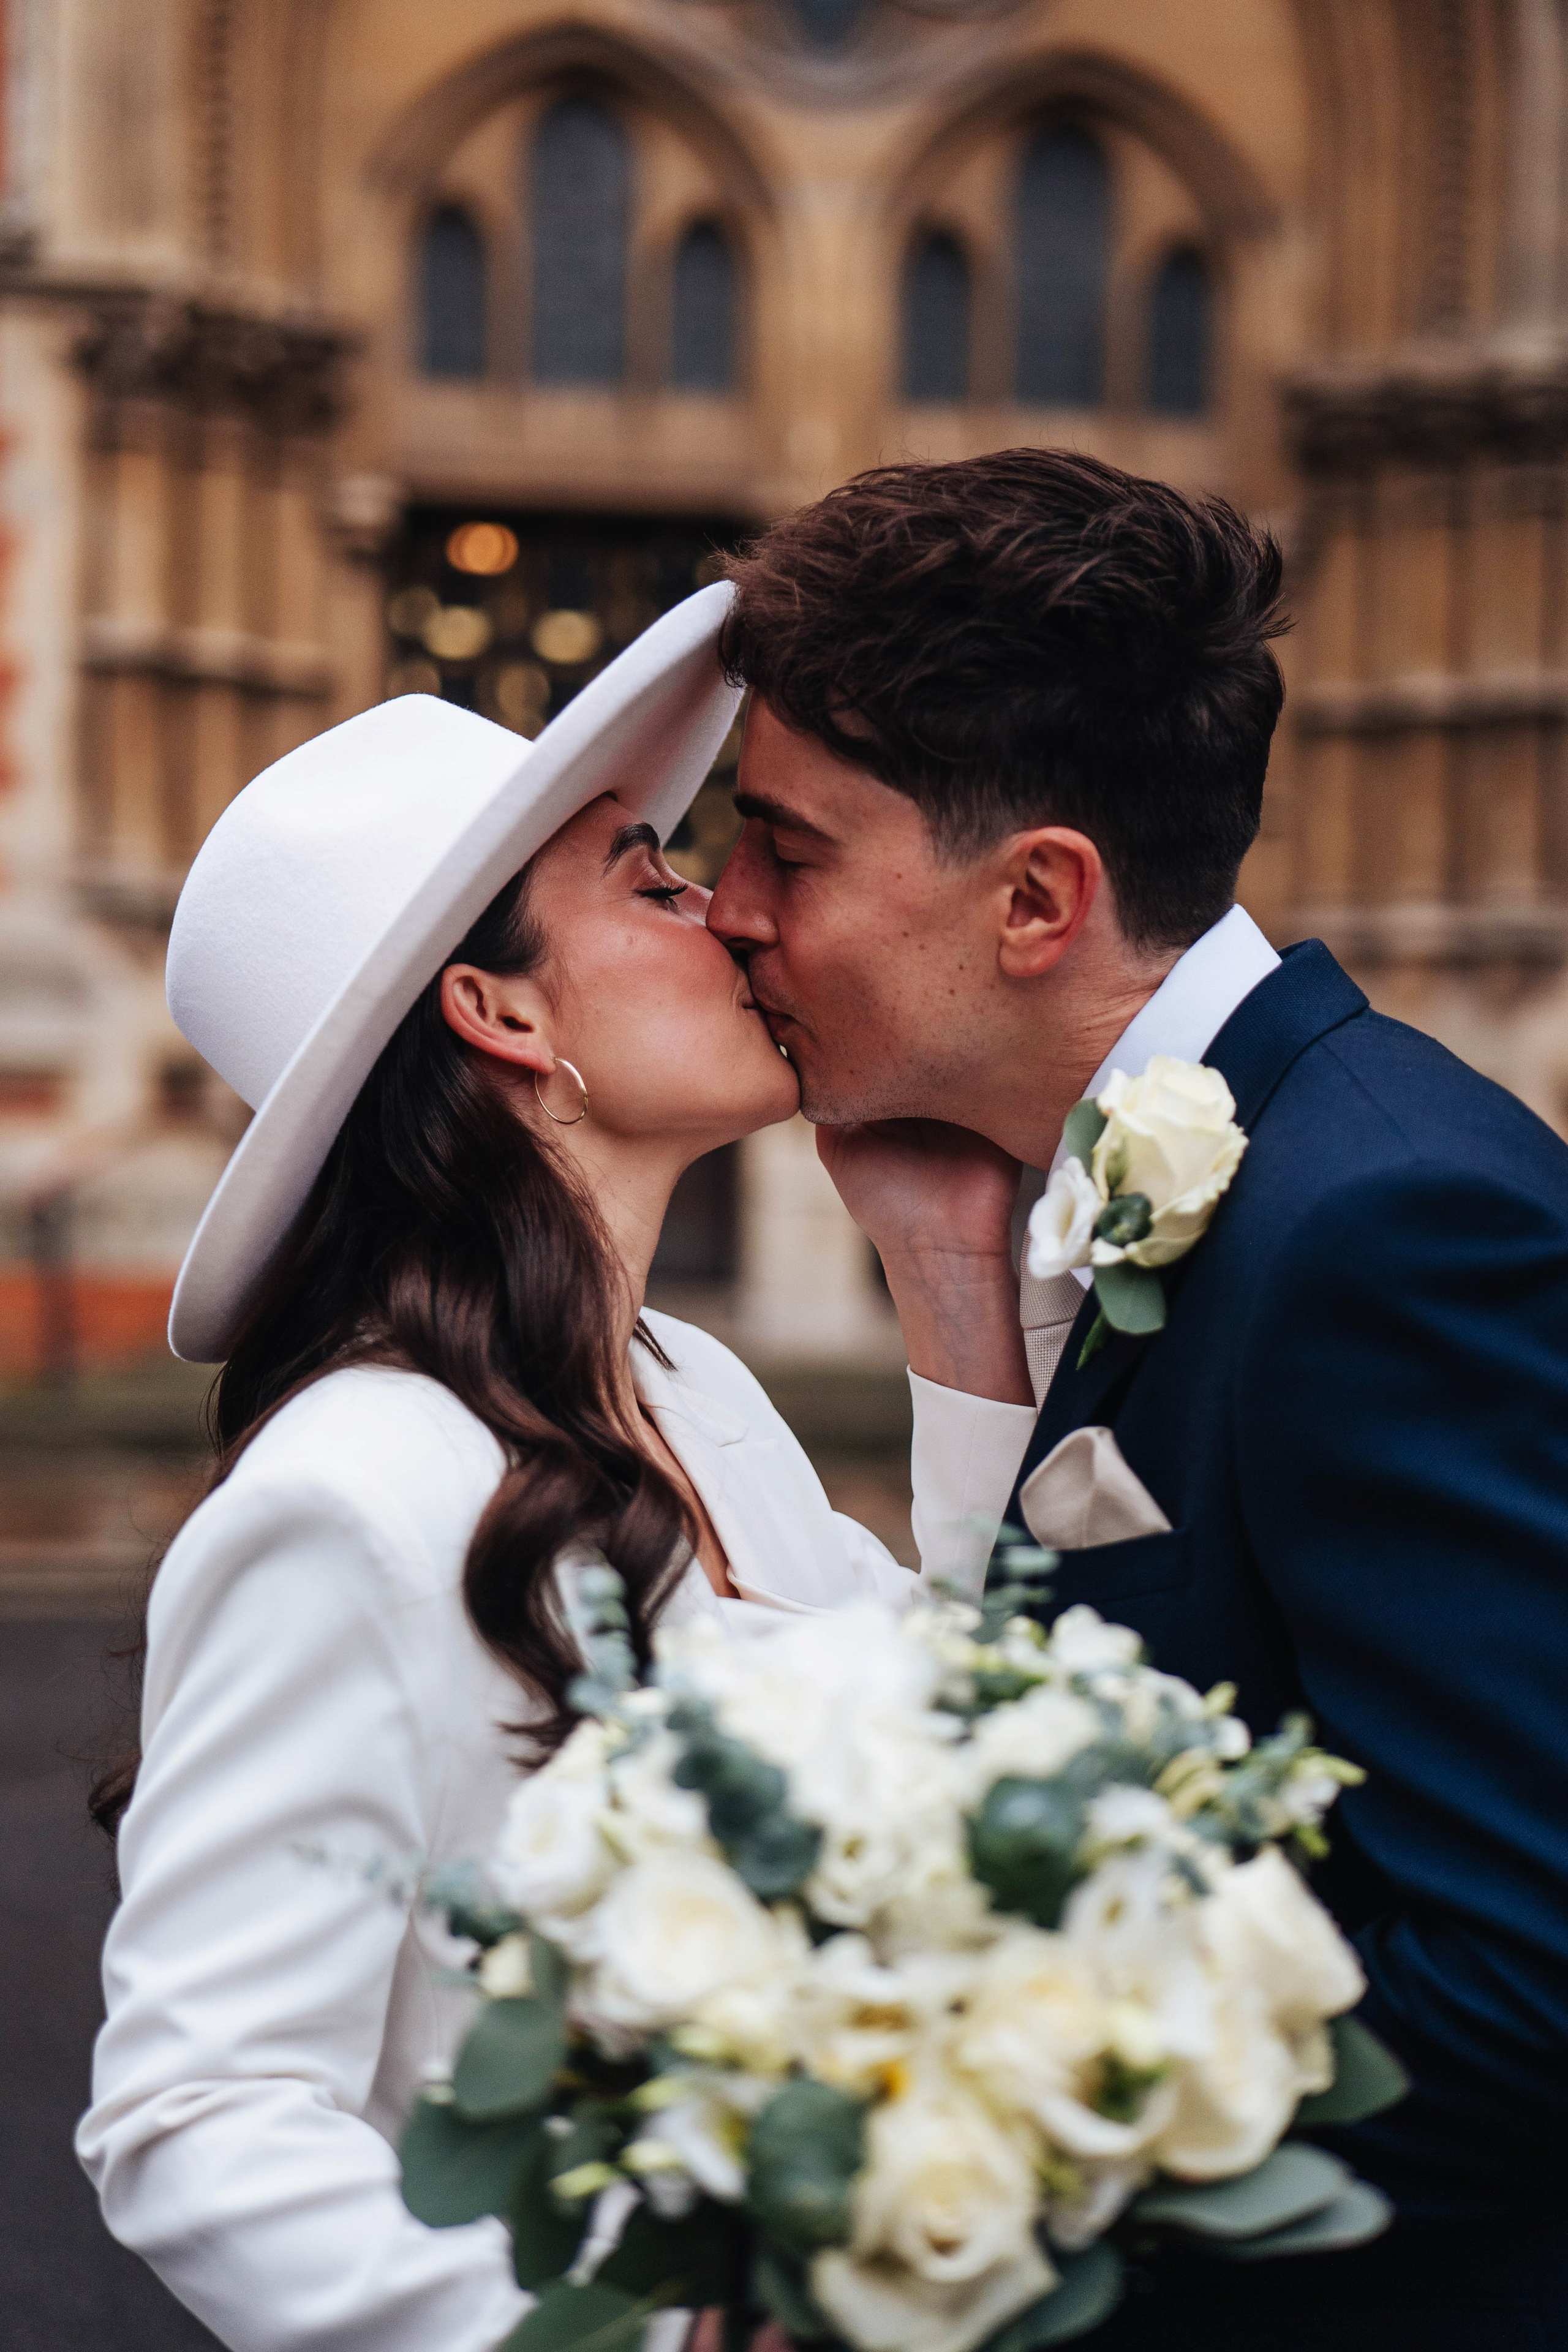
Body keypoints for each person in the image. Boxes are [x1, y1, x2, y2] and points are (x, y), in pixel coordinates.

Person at [76, 590, 1034, 2352]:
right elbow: (198, 2117)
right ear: (498, 1010)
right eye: (653, 884)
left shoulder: (695, 1390)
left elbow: (995, 1727)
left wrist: (950, 1279)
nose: (731, 909)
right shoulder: (349, 1494)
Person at [707, 448, 1568, 2348]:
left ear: (1038, 898)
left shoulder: (1387, 1226)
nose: (726, 905)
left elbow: (1530, 1981)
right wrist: (952, 1291)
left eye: (789, 848)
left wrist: (968, 2168)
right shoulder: (1166, 1173)